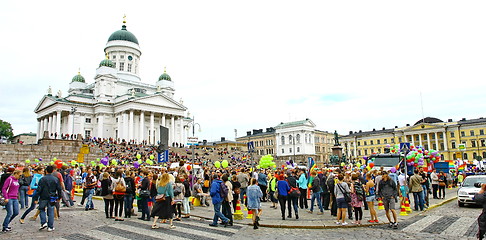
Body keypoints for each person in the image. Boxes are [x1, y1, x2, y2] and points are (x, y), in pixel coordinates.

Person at [33, 166, 62, 232]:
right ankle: (50, 226)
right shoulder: (55, 179)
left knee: (41, 209)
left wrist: (36, 198)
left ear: (46, 171)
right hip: (52, 197)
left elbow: (39, 189)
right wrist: (59, 197)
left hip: (43, 196)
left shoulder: (42, 179)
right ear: (52, 171)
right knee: (51, 211)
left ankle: (43, 222)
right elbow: (59, 189)